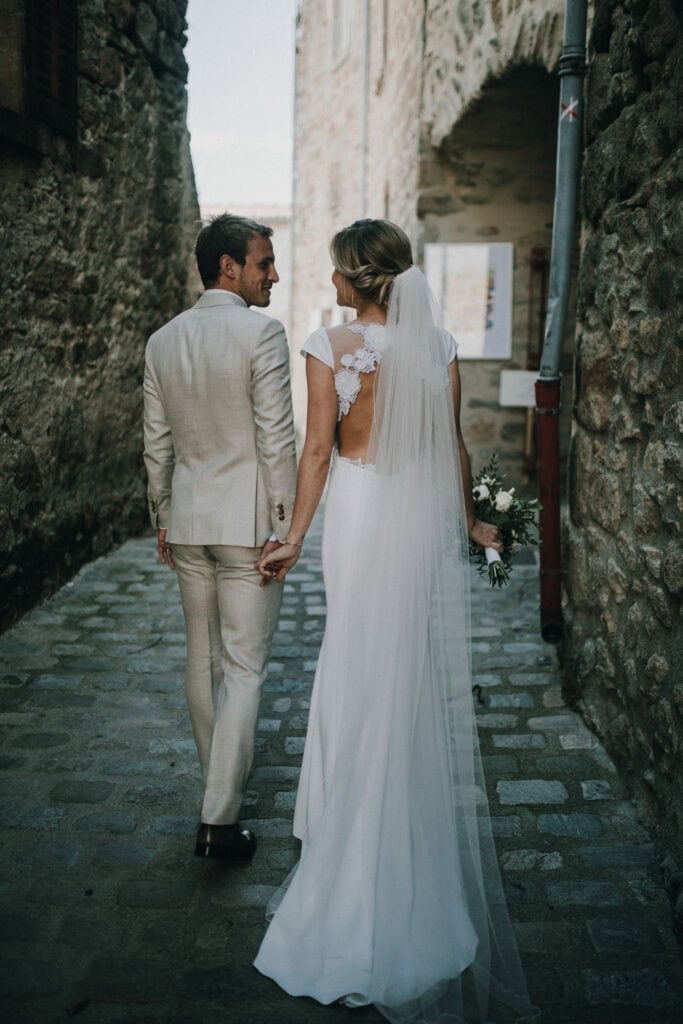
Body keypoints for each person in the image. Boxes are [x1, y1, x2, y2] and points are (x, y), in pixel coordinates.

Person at [253, 219, 538, 1022]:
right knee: (399, 672)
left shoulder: (326, 345)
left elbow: (317, 452)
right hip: (410, 520)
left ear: (356, 277)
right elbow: (450, 445)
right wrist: (468, 526)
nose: (329, 282)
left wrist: (291, 539)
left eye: (337, 271)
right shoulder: (438, 347)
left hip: (356, 513)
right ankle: (390, 834)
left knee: (353, 661)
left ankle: (346, 839)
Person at [143, 213, 297, 861]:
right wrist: (284, 529)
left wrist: (161, 517)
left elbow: (156, 445)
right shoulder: (262, 335)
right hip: (247, 530)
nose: (274, 275)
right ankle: (219, 818)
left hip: (189, 523)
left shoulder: (162, 340)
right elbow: (276, 440)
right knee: (244, 667)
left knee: (201, 660)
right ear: (228, 266)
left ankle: (216, 792)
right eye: (264, 262)